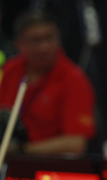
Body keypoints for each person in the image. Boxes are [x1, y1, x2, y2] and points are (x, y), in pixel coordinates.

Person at [0, 10, 95, 155]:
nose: (43, 47)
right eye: (35, 40)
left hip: (46, 162)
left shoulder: (74, 79)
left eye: (49, 38)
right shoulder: (10, 70)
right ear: (19, 44)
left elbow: (75, 144)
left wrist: (21, 150)